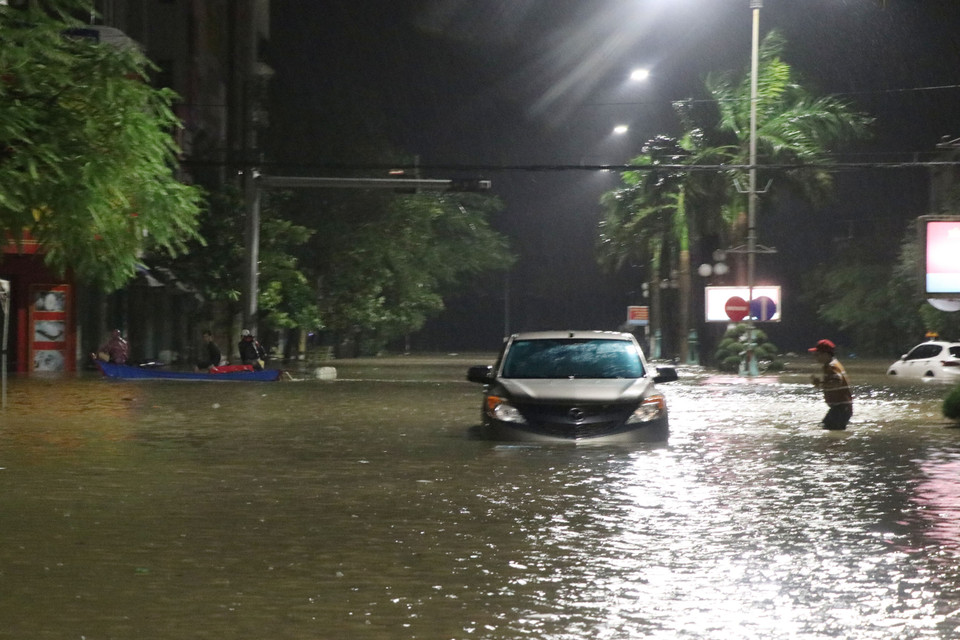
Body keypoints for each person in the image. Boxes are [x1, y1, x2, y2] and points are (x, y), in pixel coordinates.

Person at [809, 339, 853, 430]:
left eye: (817, 354)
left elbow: (837, 382)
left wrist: (820, 384)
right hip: (840, 408)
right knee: (826, 428)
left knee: (831, 432)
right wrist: (820, 384)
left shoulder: (832, 366)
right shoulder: (831, 365)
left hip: (841, 408)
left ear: (826, 354)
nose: (815, 357)